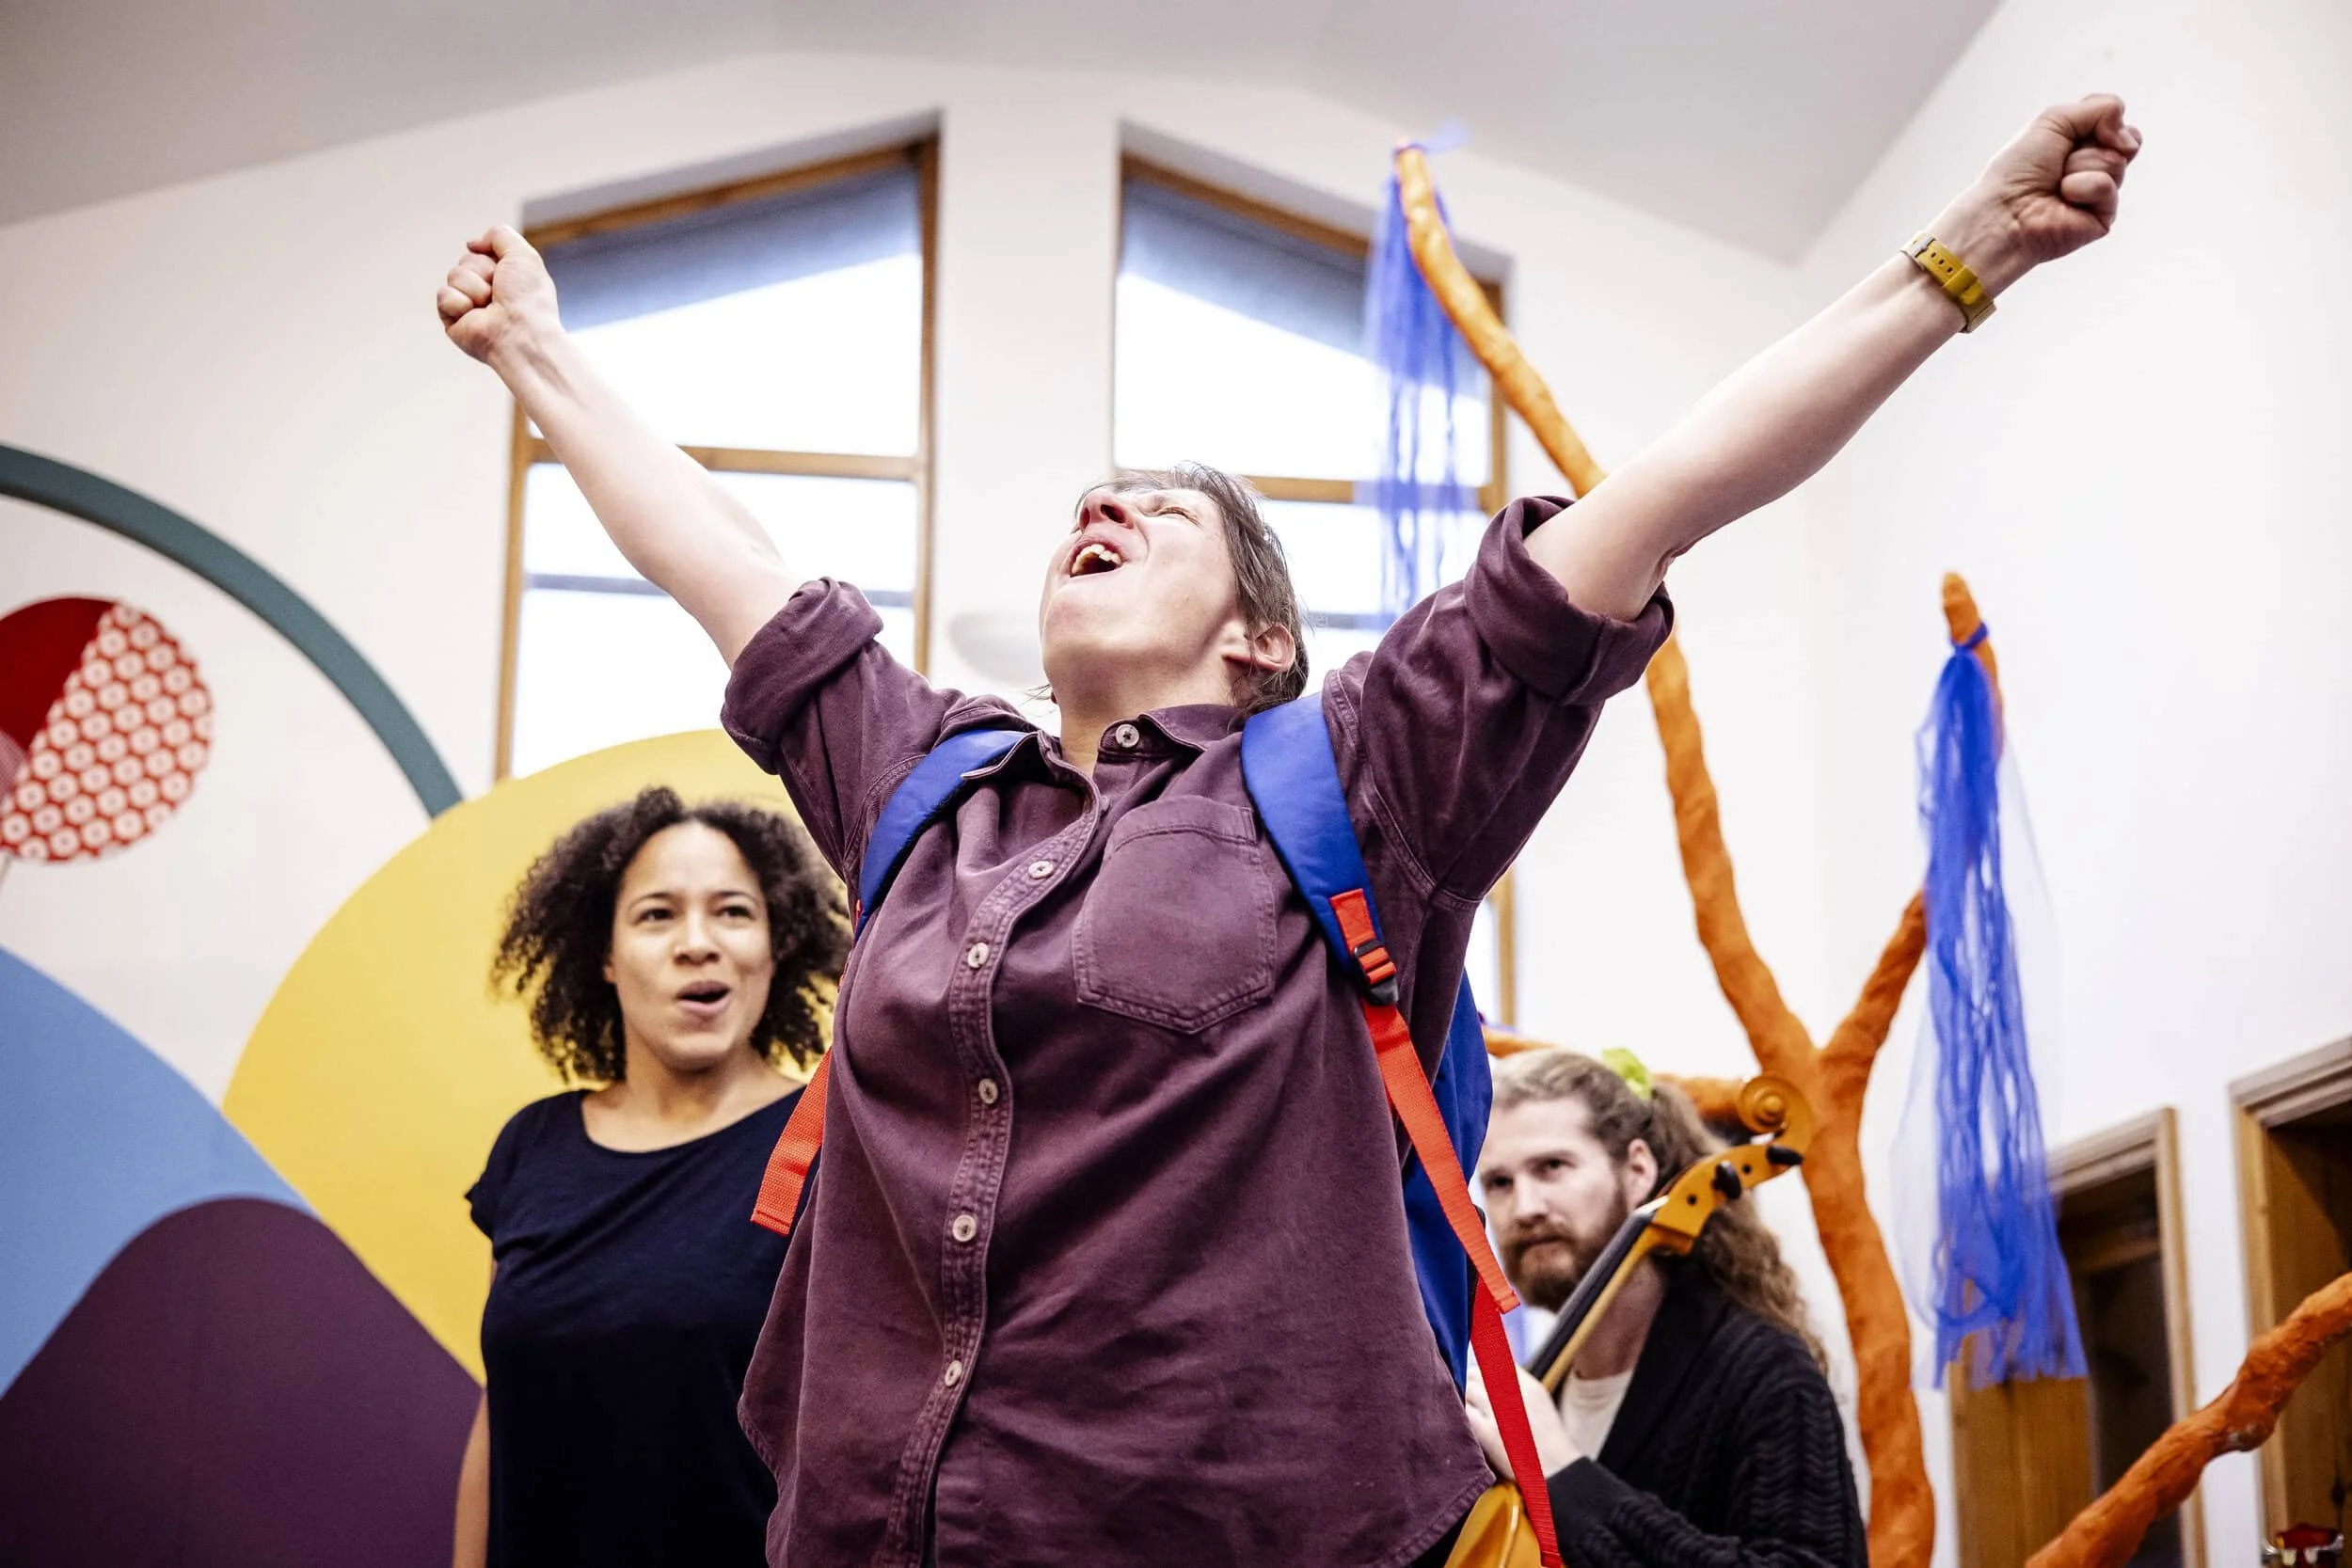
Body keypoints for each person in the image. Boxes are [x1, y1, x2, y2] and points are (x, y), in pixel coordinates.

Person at [434, 94, 2137, 1568]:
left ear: (1259, 637)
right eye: (1085, 507)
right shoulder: (932, 787)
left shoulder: (1363, 773)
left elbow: (1660, 498)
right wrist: (535, 350)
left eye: (1157, 513)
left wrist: (1965, 254)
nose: (1098, 507)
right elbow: (723, 562)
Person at [453, 788, 848, 1568]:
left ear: (777, 945)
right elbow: (500, 1411)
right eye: (657, 914)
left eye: (733, 912)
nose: (697, 943)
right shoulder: (532, 1146)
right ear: (604, 953)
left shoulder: (832, 1148)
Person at [1468, 1049, 1864, 1568]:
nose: (1525, 1208)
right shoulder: (1547, 1384)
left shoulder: (1765, 1373)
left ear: (1637, 1169)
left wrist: (1562, 1470)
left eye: (1553, 1167)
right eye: (1499, 1183)